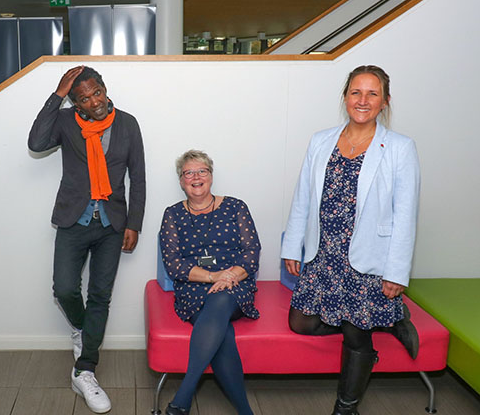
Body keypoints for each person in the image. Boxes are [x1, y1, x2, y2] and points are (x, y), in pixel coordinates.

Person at [281, 65, 420, 415]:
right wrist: (292, 245)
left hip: (368, 257)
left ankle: (346, 407)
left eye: (372, 93)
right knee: (301, 321)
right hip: (323, 253)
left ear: (385, 101)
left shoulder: (400, 148)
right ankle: (389, 318)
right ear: (345, 97)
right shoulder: (321, 140)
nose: (363, 100)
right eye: (356, 92)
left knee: (357, 334)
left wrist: (396, 273)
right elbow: (303, 197)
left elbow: (406, 215)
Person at [28, 65, 145, 413]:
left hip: (112, 223)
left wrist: (134, 223)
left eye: (96, 92)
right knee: (64, 289)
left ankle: (85, 370)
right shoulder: (66, 122)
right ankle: (84, 329)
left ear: (105, 89)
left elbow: (138, 177)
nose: (94, 101)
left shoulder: (127, 123)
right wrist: (57, 95)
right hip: (73, 219)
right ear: (75, 104)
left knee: (100, 296)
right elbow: (35, 143)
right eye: (83, 98)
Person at [159, 150, 259, 415]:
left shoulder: (236, 206)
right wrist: (214, 276)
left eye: (201, 171)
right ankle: (245, 411)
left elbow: (252, 253)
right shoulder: (172, 215)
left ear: (211, 177)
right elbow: (173, 264)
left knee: (222, 297)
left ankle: (183, 398)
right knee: (222, 333)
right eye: (188, 173)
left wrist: (229, 276)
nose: (196, 177)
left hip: (235, 284)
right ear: (181, 182)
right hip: (193, 287)